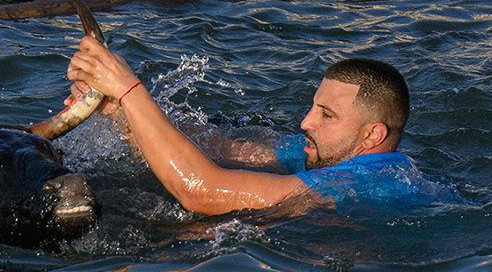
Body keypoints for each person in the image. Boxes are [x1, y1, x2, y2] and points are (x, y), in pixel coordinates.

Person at [65, 36, 447, 215]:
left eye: (326, 115)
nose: (306, 122)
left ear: (372, 135)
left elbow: (202, 192)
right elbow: (217, 146)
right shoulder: (322, 153)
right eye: (313, 107)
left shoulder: (370, 182)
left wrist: (130, 90)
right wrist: (120, 111)